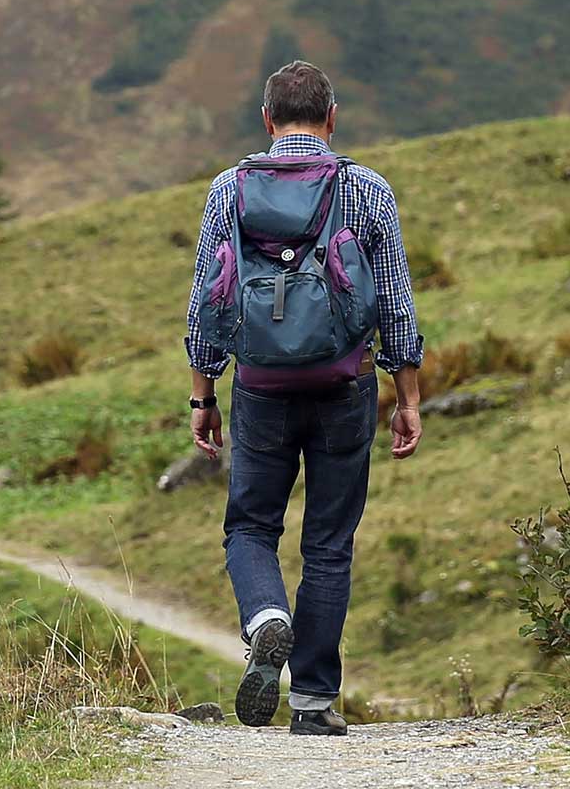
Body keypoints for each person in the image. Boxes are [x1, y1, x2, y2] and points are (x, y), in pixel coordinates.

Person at [183, 60, 424, 736]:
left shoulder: (229, 190)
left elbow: (207, 299)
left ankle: (266, 618)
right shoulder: (367, 190)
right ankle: (314, 702)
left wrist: (203, 395)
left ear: (266, 120)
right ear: (332, 116)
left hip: (259, 387)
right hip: (345, 384)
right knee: (329, 543)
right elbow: (397, 306)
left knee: (251, 526)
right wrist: (407, 395)